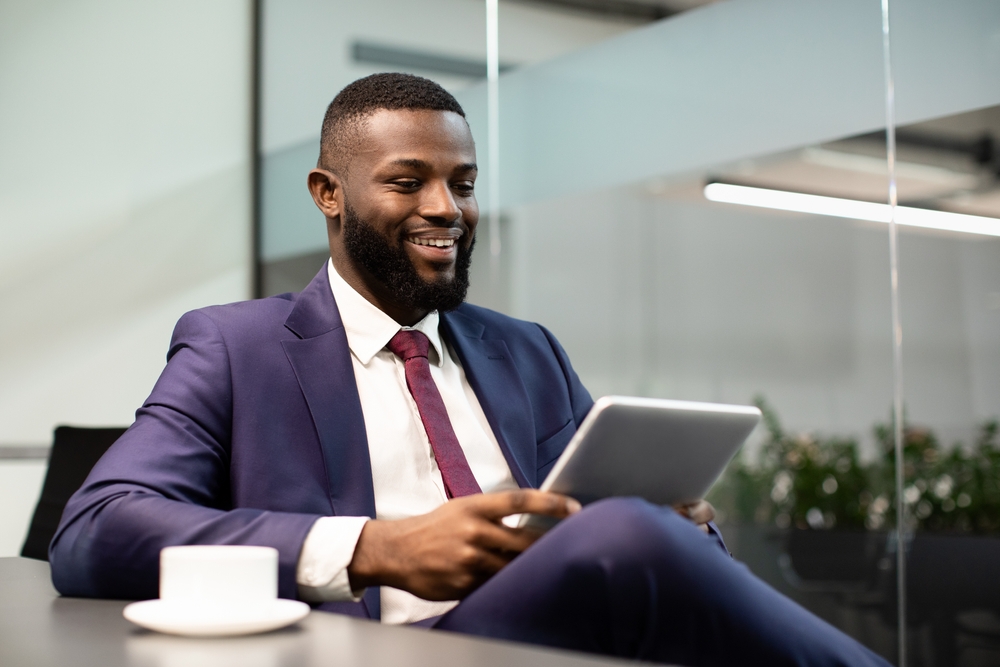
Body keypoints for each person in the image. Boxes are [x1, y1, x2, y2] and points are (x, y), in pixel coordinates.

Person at [50, 73, 889, 667]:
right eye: (407, 181)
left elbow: (608, 532)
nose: (446, 208)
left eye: (464, 182)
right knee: (625, 532)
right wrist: (376, 549)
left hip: (552, 640)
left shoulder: (528, 351)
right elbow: (95, 531)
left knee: (637, 527)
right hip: (374, 645)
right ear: (327, 193)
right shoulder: (237, 347)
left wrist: (681, 520)